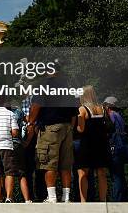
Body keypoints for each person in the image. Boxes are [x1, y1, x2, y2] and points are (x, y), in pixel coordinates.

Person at [27, 63, 77, 203]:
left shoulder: (43, 85)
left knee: (49, 163)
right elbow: (74, 112)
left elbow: (36, 106)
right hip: (67, 127)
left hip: (50, 127)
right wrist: (70, 128)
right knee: (65, 164)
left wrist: (31, 122)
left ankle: (52, 196)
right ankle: (66, 197)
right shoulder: (68, 86)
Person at [76, 85, 110, 202]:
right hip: (101, 144)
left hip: (87, 144)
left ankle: (83, 201)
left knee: (82, 173)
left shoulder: (82, 109)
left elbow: (81, 129)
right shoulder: (102, 108)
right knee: (101, 172)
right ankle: (103, 200)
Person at [104, 96, 128, 202]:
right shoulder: (119, 116)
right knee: (120, 175)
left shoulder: (111, 116)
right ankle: (124, 199)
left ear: (108, 106)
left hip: (114, 149)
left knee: (116, 177)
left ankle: (117, 201)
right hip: (122, 148)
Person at [10, 101, 32, 202]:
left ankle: (6, 198)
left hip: (4, 145)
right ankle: (27, 200)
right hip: (18, 145)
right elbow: (30, 122)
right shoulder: (19, 112)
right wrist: (27, 141)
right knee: (21, 174)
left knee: (4, 174)